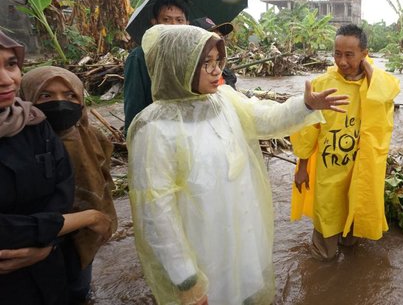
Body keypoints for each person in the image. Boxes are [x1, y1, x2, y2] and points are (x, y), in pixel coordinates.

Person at [126, 24, 348, 305]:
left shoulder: (223, 100)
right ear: (178, 65)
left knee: (242, 290)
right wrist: (185, 278)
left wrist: (304, 105)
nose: (216, 70)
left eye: (218, 61)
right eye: (205, 63)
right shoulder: (155, 129)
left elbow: (264, 119)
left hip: (240, 230)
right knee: (215, 295)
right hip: (201, 243)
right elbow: (157, 213)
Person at [0, 31, 112, 305]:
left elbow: (62, 191)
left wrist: (48, 243)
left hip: (52, 261)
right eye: (46, 94)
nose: (5, 79)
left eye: (11, 64)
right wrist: (73, 225)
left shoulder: (34, 126)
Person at [290, 24, 400, 261]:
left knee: (353, 226)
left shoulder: (375, 85)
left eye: (349, 54)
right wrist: (301, 168)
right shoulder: (323, 84)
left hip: (358, 172)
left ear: (364, 53)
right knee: (325, 239)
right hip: (329, 172)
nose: (342, 61)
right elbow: (308, 131)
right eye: (337, 53)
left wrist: (370, 74)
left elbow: (389, 95)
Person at [20, 66, 118, 304]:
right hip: (34, 243)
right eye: (46, 96)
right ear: (26, 98)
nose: (60, 103)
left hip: (83, 235)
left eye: (70, 95)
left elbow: (103, 181)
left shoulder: (91, 136)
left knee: (79, 286)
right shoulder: (17, 145)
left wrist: (99, 218)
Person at [123, 0, 189, 135]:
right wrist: (134, 137)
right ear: (154, 22)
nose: (173, 25)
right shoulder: (140, 56)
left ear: (188, 23)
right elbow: (134, 103)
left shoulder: (192, 54)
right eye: (166, 19)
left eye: (179, 20)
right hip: (154, 132)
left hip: (186, 130)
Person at [190, 16, 238, 89]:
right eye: (207, 61)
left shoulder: (221, 70)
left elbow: (230, 77)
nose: (219, 41)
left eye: (220, 36)